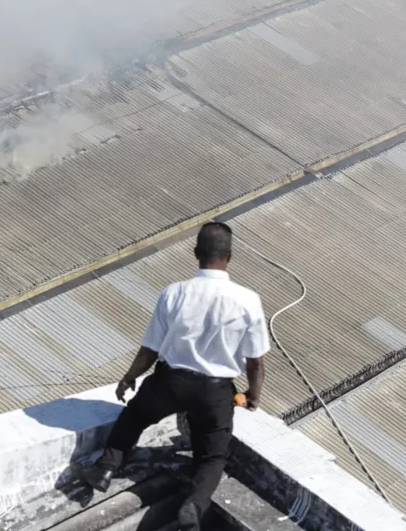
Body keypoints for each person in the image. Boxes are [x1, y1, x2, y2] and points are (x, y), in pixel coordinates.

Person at [78, 221, 269, 530]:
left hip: (169, 382)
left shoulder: (174, 293)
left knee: (135, 417)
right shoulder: (248, 300)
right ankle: (193, 506)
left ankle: (104, 468)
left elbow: (150, 350)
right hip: (215, 391)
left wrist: (129, 378)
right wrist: (253, 394)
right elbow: (256, 361)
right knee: (212, 456)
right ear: (229, 256)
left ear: (196, 253)